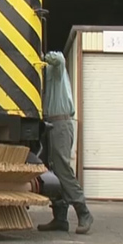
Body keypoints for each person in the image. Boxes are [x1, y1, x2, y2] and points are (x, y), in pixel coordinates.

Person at [37, 51, 93, 234]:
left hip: (60, 123)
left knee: (62, 169)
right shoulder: (45, 76)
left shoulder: (56, 68)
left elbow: (59, 58)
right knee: (51, 169)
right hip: (50, 124)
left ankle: (83, 212)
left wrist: (43, 56)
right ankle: (60, 218)